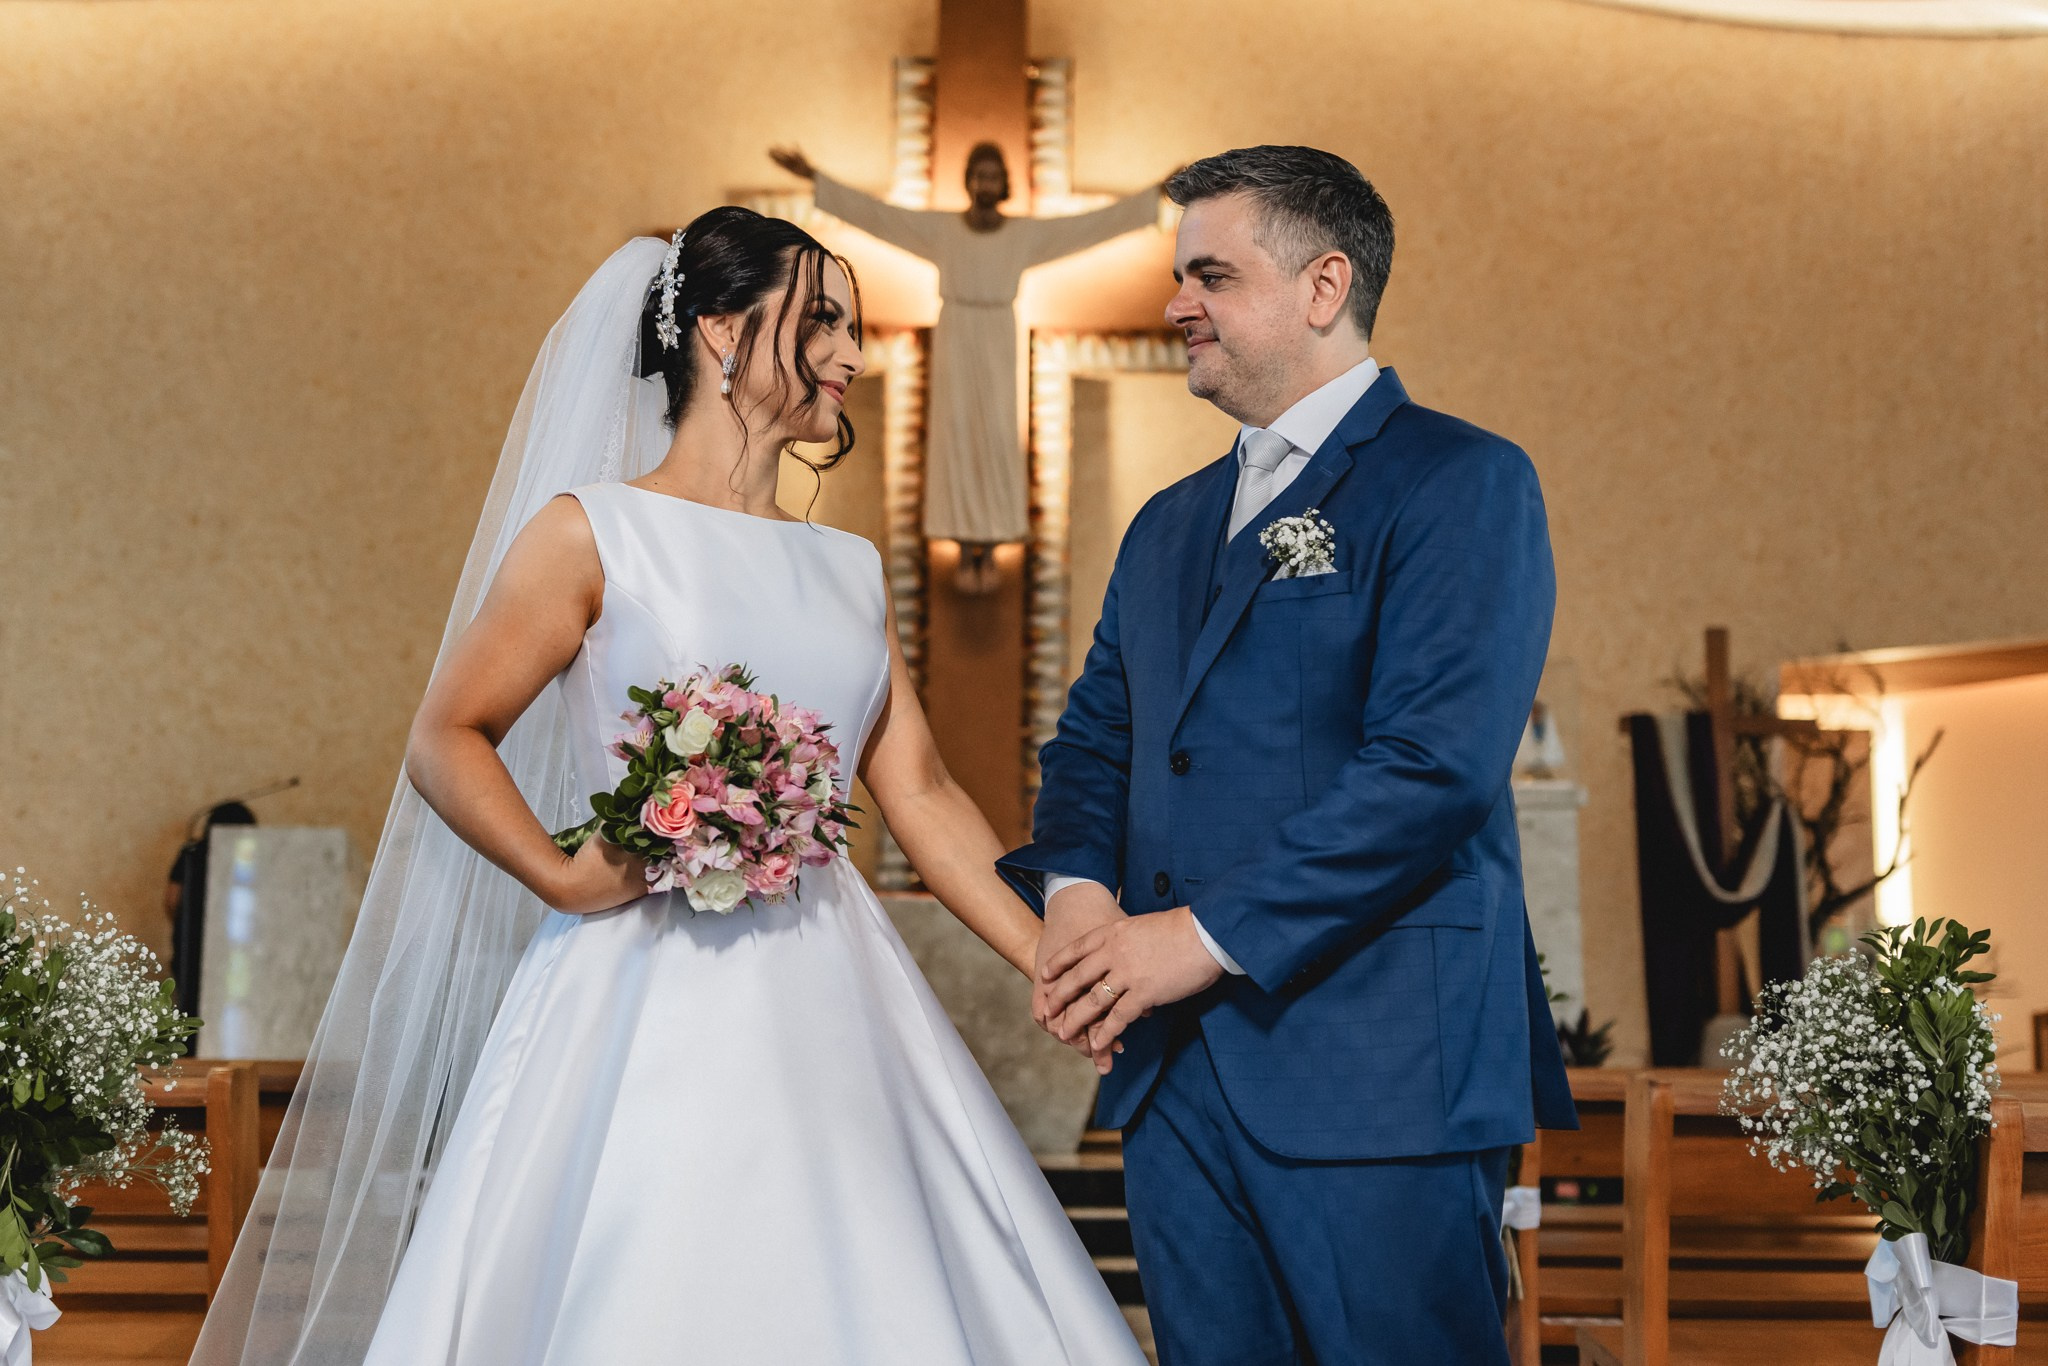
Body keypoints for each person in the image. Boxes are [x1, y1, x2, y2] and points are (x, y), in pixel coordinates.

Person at [191, 208, 1146, 1365]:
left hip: (831, 986)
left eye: (852, 328)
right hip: (637, 983)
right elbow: (447, 735)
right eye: (823, 322)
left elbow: (926, 794)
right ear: (722, 332)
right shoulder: (593, 533)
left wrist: (1051, 959)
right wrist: (560, 874)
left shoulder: (845, 567)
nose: (851, 354)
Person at [999, 145, 1580, 1366]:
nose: (1176, 304)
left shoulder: (1459, 481)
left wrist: (1191, 938)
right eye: (1179, 276)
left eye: (1210, 274)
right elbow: (1095, 738)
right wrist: (1080, 895)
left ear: (1324, 286)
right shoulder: (1164, 526)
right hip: (1173, 1078)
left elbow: (1430, 768)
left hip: (1378, 1070)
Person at [770, 143, 1160, 590]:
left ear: (1004, 184)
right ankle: (959, 536)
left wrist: (1151, 197)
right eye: (978, 174)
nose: (985, 183)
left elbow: (1086, 227)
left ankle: (991, 542)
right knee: (954, 433)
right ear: (969, 180)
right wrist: (815, 178)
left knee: (997, 432)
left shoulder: (1023, 235)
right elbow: (881, 216)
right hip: (956, 334)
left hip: (998, 336)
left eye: (993, 175)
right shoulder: (943, 230)